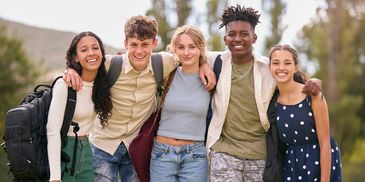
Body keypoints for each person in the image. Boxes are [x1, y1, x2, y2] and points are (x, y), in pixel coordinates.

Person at [63, 15, 216, 182]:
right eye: (134, 44)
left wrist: (204, 64)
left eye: (145, 45)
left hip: (135, 147)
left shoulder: (164, 63)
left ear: (155, 43)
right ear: (125, 43)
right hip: (104, 145)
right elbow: (86, 62)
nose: (139, 51)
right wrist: (70, 70)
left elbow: (189, 56)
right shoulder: (109, 64)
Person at [205, 4, 321, 181]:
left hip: (260, 155)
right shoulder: (215, 61)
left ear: (254, 38)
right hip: (224, 151)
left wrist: (315, 81)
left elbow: (299, 81)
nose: (237, 39)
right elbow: (187, 55)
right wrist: (202, 66)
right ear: (225, 38)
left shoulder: (268, 67)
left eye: (244, 34)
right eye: (232, 34)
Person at [268, 44, 342, 182]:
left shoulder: (312, 94)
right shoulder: (272, 101)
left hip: (319, 162)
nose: (281, 68)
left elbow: (325, 143)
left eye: (287, 63)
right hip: (291, 166)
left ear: (295, 67)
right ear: (269, 67)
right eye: (276, 63)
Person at [47, 31, 112, 182]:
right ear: (76, 57)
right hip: (64, 150)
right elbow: (52, 130)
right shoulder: (65, 84)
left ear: (102, 53)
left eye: (95, 48)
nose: (91, 53)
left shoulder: (101, 83)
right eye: (84, 50)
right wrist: (55, 176)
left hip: (87, 150)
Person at [149, 25, 210, 182]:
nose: (187, 52)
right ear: (174, 49)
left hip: (195, 157)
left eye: (192, 47)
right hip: (162, 153)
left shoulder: (211, 80)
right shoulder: (166, 74)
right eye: (181, 47)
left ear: (201, 48)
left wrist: (205, 64)